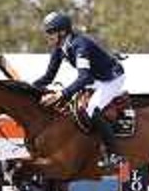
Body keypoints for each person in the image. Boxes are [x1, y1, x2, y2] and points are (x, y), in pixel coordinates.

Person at [33, 12, 125, 169]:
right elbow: (48, 77)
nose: (48, 36)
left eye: (50, 32)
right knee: (72, 107)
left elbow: (85, 78)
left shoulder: (80, 45)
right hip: (96, 78)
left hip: (111, 78)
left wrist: (62, 94)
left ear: (62, 32)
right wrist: (29, 88)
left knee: (91, 110)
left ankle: (115, 154)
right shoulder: (60, 48)